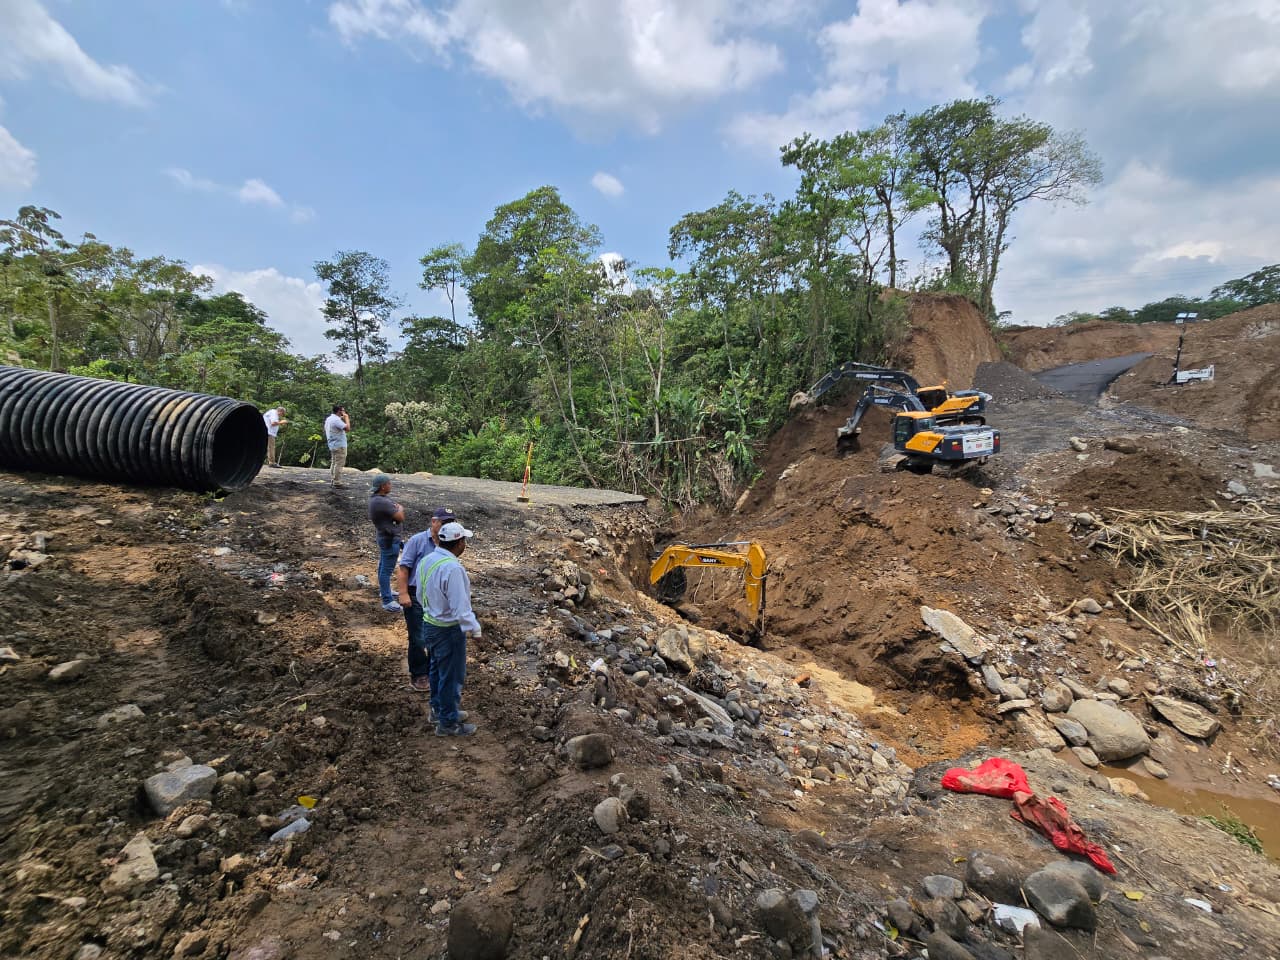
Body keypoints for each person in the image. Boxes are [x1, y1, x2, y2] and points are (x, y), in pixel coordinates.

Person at [417, 521, 480, 736]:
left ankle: (439, 710)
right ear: (459, 542)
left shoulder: (428, 560)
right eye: (464, 540)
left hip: (430, 624)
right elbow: (460, 607)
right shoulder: (453, 568)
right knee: (450, 676)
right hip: (448, 630)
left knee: (436, 669)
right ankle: (448, 722)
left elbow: (419, 593)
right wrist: (475, 629)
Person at [396, 507, 457, 692]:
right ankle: (419, 674)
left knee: (436, 636)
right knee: (418, 637)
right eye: (444, 522)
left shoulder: (450, 543)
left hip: (438, 596)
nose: (447, 526)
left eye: (450, 523)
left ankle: (434, 670)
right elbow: (404, 568)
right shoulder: (417, 541)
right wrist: (403, 593)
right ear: (433, 521)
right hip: (416, 595)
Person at [368, 474, 405, 612]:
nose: (391, 485)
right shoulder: (381, 502)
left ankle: (385, 591)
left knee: (383, 565)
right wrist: (400, 508)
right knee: (386, 570)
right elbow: (400, 516)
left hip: (385, 537)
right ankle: (387, 601)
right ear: (383, 486)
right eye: (389, 483)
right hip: (389, 540)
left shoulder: (377, 499)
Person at [324, 405, 351, 487]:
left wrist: (341, 418)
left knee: (334, 463)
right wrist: (346, 417)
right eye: (343, 411)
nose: (344, 412)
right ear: (339, 411)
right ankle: (337, 482)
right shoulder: (336, 420)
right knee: (339, 463)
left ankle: (333, 479)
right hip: (339, 445)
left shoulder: (329, 419)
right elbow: (348, 428)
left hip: (332, 444)